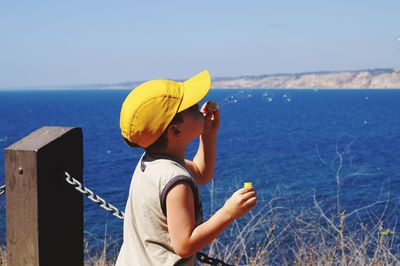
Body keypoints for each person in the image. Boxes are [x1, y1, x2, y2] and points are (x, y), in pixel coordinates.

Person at [116, 70, 257, 266]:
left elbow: (201, 172)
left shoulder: (152, 162)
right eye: (192, 107)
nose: (199, 108)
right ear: (175, 130)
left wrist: (208, 135)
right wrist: (229, 212)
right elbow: (185, 245)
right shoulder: (176, 181)